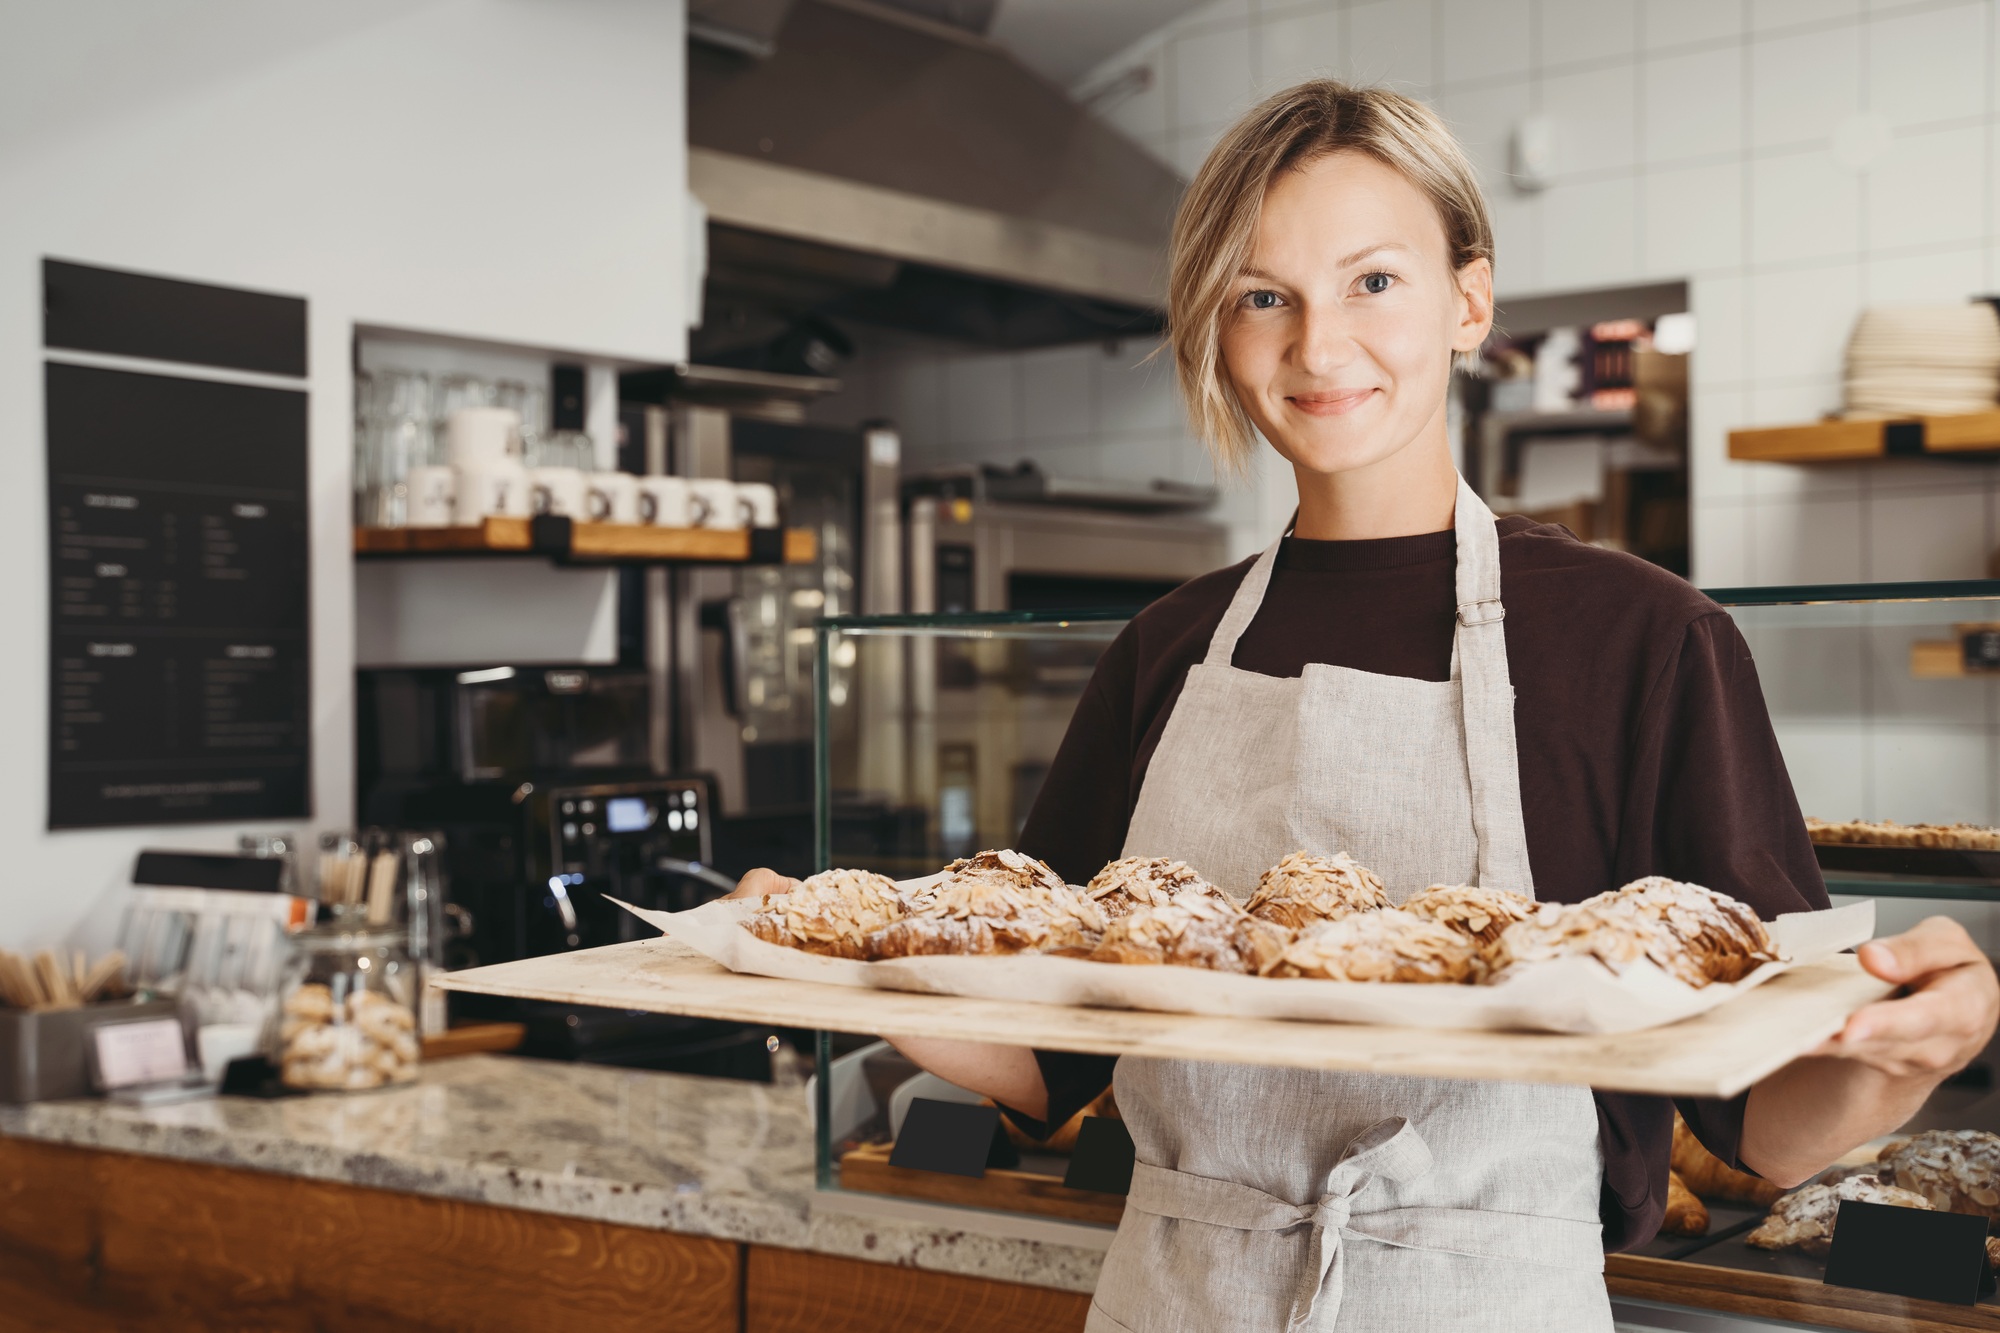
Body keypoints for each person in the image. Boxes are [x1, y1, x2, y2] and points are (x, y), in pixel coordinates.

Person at [732, 82, 2000, 1330]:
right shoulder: (1165, 649)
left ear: (1469, 298)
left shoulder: (1646, 640)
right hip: (1179, 1299)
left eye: (1371, 281)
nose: (1316, 345)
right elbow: (1048, 1056)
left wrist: (1913, 1048)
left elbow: (1765, 1128)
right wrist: (813, 958)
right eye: (1260, 297)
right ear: (1214, 332)